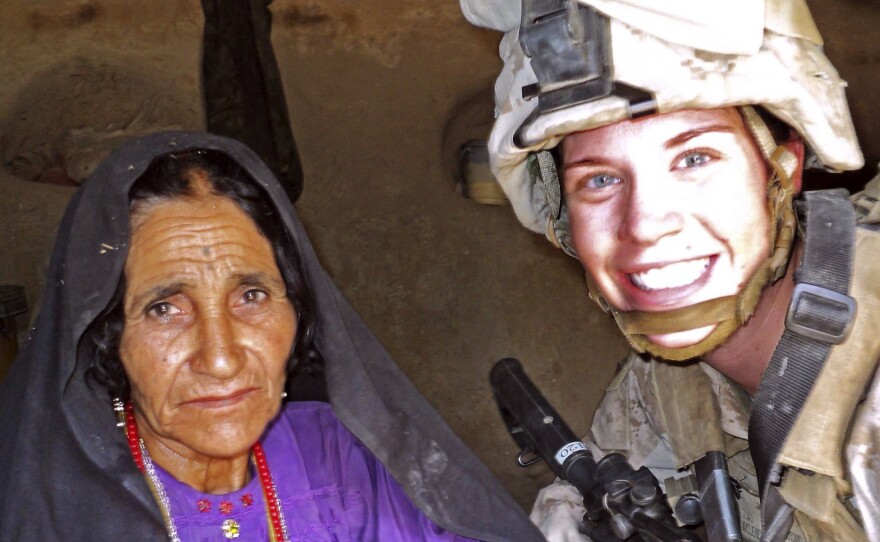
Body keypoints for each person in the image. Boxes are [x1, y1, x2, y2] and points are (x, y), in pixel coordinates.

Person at [460, 0, 880, 540]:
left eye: (695, 159)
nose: (645, 226)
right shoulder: (666, 384)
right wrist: (567, 512)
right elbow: (612, 466)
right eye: (600, 180)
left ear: (784, 170)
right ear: (565, 226)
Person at [0, 131, 546, 542]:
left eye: (252, 296)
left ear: (299, 309)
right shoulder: (50, 509)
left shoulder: (342, 454)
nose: (220, 358)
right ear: (106, 334)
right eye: (165, 308)